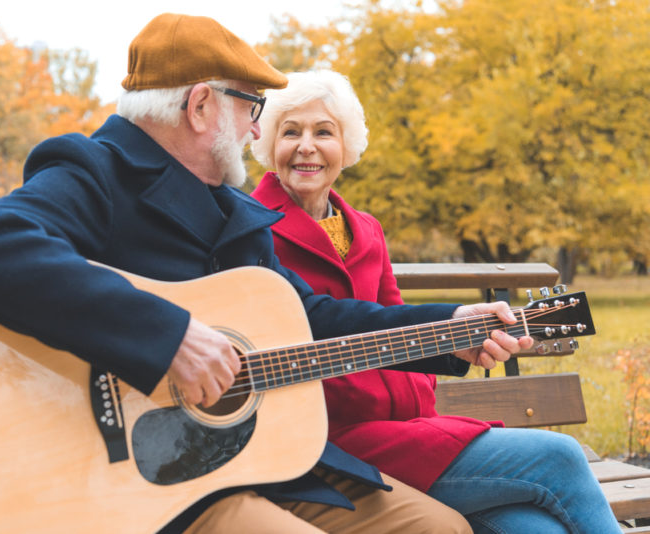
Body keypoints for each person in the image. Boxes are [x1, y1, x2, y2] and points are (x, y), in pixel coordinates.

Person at [0, 14, 531, 534]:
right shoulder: (97, 173)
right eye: (252, 107)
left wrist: (452, 326)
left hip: (261, 457)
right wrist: (168, 338)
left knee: (439, 527)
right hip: (139, 484)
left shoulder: (235, 212)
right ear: (199, 105)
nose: (254, 130)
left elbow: (308, 317)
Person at [250, 69, 621, 534]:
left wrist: (458, 341)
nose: (306, 146)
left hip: (413, 427)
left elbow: (399, 316)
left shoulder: (366, 229)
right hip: (332, 444)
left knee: (534, 529)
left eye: (323, 132)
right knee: (560, 456)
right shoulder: (252, 230)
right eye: (291, 132)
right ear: (267, 145)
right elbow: (312, 326)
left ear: (346, 148)